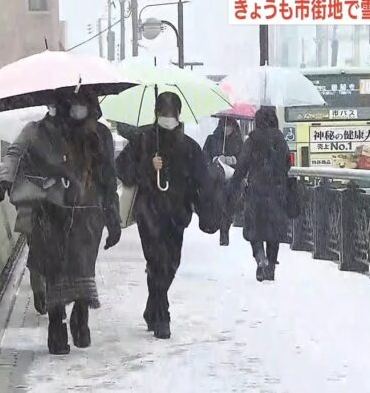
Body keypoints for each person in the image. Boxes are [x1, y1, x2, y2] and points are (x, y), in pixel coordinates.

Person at [0, 90, 121, 355]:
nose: (77, 110)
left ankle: (80, 317)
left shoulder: (101, 135)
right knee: (56, 268)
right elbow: (23, 154)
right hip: (53, 211)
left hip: (88, 213)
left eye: (83, 105)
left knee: (82, 268)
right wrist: (13, 179)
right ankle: (57, 327)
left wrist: (113, 218)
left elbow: (109, 178)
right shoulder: (45, 131)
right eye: (72, 105)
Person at [115, 91, 217, 339]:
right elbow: (122, 169)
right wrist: (148, 166)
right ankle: (162, 316)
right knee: (157, 261)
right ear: (156, 113)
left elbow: (200, 181)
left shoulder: (189, 147)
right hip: (149, 211)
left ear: (179, 115)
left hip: (177, 215)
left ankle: (153, 305)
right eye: (163, 113)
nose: (168, 118)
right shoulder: (142, 141)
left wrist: (207, 211)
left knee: (170, 264)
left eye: (171, 114)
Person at [228, 106, 291, 282]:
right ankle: (271, 265)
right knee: (274, 231)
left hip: (256, 191)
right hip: (277, 192)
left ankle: (260, 258)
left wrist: (234, 185)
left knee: (254, 229)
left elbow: (242, 165)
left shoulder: (252, 140)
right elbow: (287, 164)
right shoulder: (280, 139)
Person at [202, 118, 243, 245]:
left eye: (230, 126)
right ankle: (219, 226)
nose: (227, 129)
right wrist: (215, 159)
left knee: (231, 204)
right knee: (220, 202)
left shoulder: (238, 142)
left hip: (233, 178)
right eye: (225, 126)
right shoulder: (211, 139)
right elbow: (204, 156)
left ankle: (225, 228)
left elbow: (243, 158)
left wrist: (232, 160)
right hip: (216, 178)